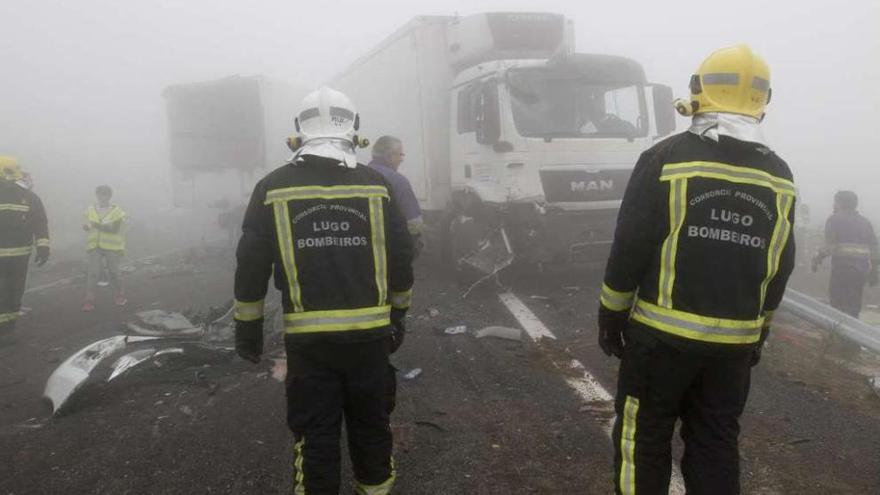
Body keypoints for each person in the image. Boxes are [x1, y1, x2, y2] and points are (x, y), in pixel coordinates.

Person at [597, 45, 795, 495]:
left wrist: (611, 314)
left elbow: (630, 244)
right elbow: (780, 263)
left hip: (660, 342)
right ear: (763, 100)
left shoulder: (667, 158)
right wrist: (758, 329)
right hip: (733, 351)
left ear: (697, 89)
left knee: (642, 438)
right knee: (715, 443)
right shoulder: (778, 175)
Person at [234, 87, 414, 495]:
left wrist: (248, 329)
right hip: (370, 340)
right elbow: (402, 257)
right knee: (371, 426)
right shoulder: (375, 185)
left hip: (308, 343)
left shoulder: (272, 188)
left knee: (315, 434)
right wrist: (399, 315)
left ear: (299, 130)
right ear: (354, 128)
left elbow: (251, 266)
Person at [0, 156, 49, 345]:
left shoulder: (29, 197)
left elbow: (40, 223)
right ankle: (5, 329)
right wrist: (43, 247)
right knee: (6, 291)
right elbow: (41, 223)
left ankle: (9, 327)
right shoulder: (29, 196)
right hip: (15, 256)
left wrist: (43, 246)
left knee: (14, 291)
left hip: (20, 256)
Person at [812, 190, 878, 317]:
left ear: (841, 203)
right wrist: (875, 270)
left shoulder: (834, 220)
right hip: (860, 272)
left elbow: (829, 246)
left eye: (835, 202)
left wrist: (817, 259)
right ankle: (852, 333)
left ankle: (837, 334)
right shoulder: (865, 222)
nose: (833, 205)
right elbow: (874, 248)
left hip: (842, 270)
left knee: (838, 306)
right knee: (854, 305)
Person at [368, 135, 425, 257]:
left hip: (363, 252)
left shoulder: (358, 177)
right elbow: (414, 223)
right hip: (392, 252)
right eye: (400, 155)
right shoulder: (398, 181)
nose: (401, 159)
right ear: (389, 156)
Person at [82, 185, 127, 311]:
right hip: (94, 245)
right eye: (100, 194)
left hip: (111, 246)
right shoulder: (90, 209)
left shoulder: (117, 211)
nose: (102, 197)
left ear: (109, 196)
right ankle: (89, 300)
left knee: (114, 272)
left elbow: (114, 229)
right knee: (93, 273)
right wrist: (87, 226)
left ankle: (120, 295)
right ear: (96, 195)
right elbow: (88, 224)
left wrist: (96, 225)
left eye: (105, 195)